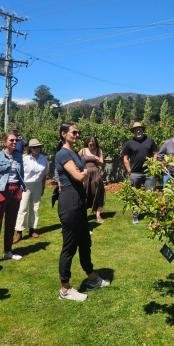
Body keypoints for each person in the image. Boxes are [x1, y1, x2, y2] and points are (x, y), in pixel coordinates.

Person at [55, 123, 110, 301]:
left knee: (85, 242)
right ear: (64, 134)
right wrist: (84, 171)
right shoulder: (63, 153)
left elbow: (81, 172)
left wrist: (83, 171)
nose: (77, 135)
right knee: (69, 246)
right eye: (74, 132)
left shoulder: (74, 153)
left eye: (78, 132)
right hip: (69, 201)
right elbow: (79, 176)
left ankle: (92, 279)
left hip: (79, 200)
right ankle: (65, 289)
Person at [0, 132, 26, 268]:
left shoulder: (18, 156)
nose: (15, 142)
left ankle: (8, 251)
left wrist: (20, 189)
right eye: (12, 140)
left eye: (16, 140)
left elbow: (22, 174)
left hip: (15, 191)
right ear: (4, 142)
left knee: (11, 222)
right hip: (1, 190)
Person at [14, 139, 49, 243]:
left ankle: (32, 230)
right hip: (26, 185)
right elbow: (19, 173)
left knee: (35, 208)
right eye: (34, 147)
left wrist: (43, 187)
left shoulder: (44, 160)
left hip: (38, 185)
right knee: (23, 208)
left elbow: (44, 175)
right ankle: (19, 232)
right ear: (30, 148)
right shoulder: (25, 159)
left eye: (38, 147)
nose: (37, 149)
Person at [122, 122, 158, 225]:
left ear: (143, 130)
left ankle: (152, 216)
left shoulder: (149, 140)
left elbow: (155, 154)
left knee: (151, 195)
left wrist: (153, 166)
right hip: (135, 174)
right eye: (136, 129)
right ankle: (135, 216)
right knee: (135, 196)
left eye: (140, 129)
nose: (138, 131)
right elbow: (125, 158)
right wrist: (129, 170)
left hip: (149, 173)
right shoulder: (129, 143)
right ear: (133, 131)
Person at [78, 136, 106, 224]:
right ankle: (83, 214)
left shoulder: (99, 150)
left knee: (97, 192)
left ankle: (98, 215)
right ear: (87, 143)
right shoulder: (82, 150)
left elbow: (101, 164)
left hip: (95, 173)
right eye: (90, 145)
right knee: (85, 192)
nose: (92, 147)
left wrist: (98, 160)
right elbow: (77, 162)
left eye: (94, 145)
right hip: (86, 174)